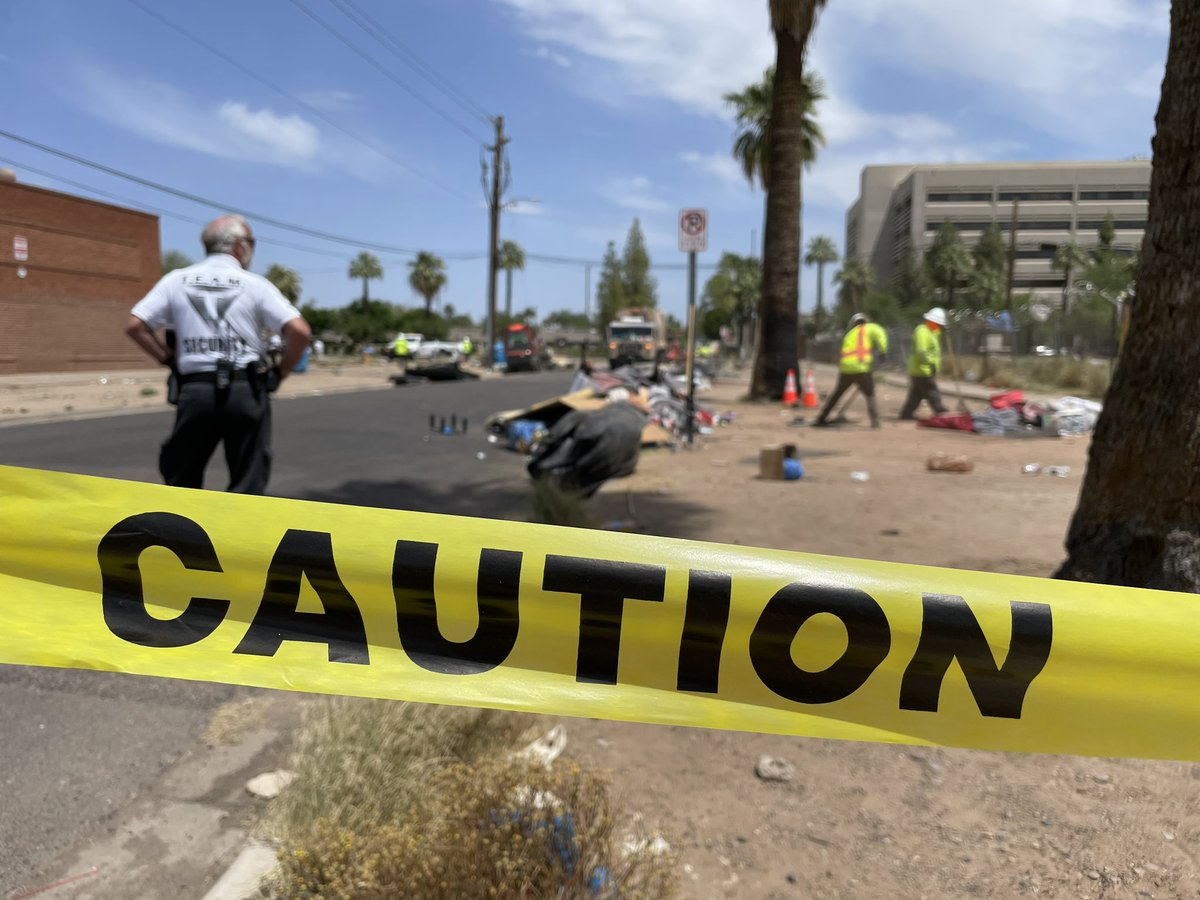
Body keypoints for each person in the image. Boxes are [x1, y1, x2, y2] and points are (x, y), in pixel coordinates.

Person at [124, 214, 311, 494]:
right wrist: (280, 372)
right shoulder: (255, 285)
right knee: (248, 480)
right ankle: (240, 535)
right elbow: (300, 332)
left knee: (182, 480)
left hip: (196, 388)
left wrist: (168, 359)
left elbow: (136, 325)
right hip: (245, 389)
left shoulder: (176, 281)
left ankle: (185, 535)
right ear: (239, 246)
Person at [814, 312, 888, 428]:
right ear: (866, 321)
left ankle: (821, 417)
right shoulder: (871, 327)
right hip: (861, 367)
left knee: (838, 393)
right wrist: (883, 352)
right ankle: (875, 422)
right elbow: (881, 335)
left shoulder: (850, 333)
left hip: (846, 368)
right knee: (870, 393)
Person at [899, 307, 949, 420]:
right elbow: (921, 352)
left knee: (916, 395)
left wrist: (944, 331)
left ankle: (906, 414)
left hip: (922, 369)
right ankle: (940, 410)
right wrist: (930, 363)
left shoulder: (932, 331)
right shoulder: (922, 332)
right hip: (922, 369)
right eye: (938, 324)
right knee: (932, 391)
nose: (939, 326)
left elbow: (935, 337)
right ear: (931, 321)